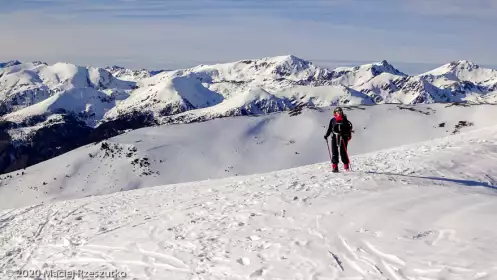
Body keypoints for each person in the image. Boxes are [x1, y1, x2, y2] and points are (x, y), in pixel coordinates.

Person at [324, 106, 353, 172]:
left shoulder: (344, 120)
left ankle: (346, 165)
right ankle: (335, 166)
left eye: (340, 111)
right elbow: (330, 129)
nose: (339, 112)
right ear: (335, 112)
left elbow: (348, 129)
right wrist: (326, 135)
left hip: (343, 137)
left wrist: (345, 134)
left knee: (343, 152)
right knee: (334, 152)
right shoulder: (332, 120)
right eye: (337, 111)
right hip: (334, 136)